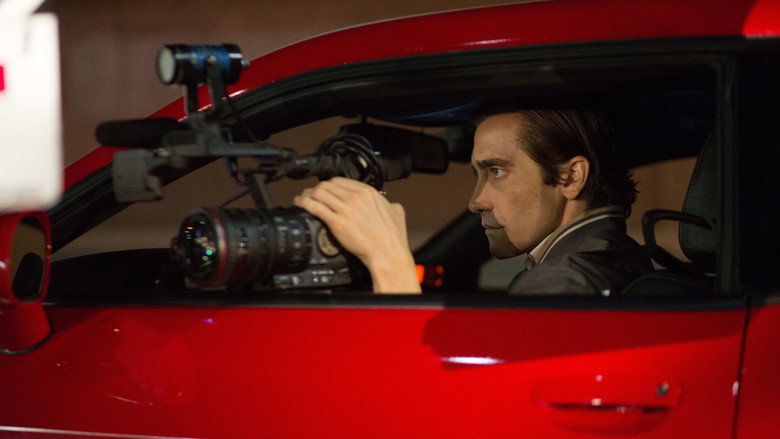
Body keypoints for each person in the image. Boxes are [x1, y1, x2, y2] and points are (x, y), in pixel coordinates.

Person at [293, 106, 652, 294]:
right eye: (476, 176)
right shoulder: (618, 257)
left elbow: (454, 408)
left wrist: (389, 262)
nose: (476, 201)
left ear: (570, 177)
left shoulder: (561, 286)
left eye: (496, 171)